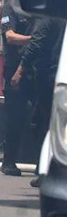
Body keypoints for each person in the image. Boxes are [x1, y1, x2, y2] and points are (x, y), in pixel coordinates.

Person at [17, 15, 66, 188]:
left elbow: (37, 43)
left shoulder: (47, 17)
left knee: (42, 124)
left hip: (50, 76)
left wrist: (21, 68)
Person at [1, 1, 33, 176]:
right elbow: (10, 37)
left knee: (41, 118)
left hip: (35, 69)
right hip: (15, 68)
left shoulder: (39, 9)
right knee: (15, 117)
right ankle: (9, 162)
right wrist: (33, 39)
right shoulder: (11, 8)